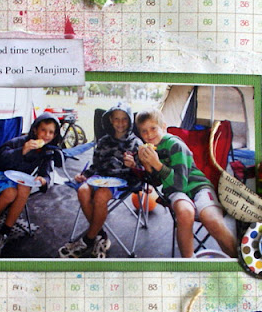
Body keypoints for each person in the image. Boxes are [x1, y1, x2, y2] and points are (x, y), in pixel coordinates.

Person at [135, 109, 237, 259]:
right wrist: (145, 165)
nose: (149, 135)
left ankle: (240, 261)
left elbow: (180, 183)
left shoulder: (175, 145)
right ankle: (189, 261)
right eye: (144, 131)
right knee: (184, 212)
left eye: (153, 128)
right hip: (175, 192)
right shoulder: (150, 150)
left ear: (163, 127)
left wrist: (157, 164)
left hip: (198, 186)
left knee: (211, 219)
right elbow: (157, 181)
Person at [0, 113, 61, 258]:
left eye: (51, 132)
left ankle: (3, 235)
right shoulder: (20, 141)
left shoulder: (47, 151)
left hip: (17, 180)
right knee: (10, 193)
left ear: (55, 135)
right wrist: (22, 151)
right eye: (43, 130)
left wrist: (43, 180)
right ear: (35, 130)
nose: (46, 135)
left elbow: (47, 173)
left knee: (25, 188)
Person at [59, 102, 143, 258]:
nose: (120, 122)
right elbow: (95, 165)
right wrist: (84, 175)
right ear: (110, 119)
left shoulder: (136, 143)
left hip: (123, 179)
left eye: (124, 119)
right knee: (83, 190)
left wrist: (134, 165)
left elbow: (143, 171)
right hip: (101, 177)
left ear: (130, 121)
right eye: (116, 118)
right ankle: (100, 235)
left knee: (101, 196)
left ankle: (88, 239)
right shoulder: (103, 141)